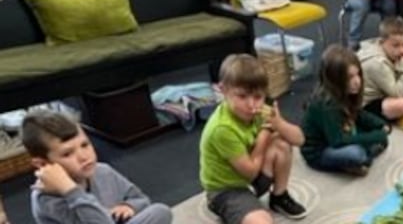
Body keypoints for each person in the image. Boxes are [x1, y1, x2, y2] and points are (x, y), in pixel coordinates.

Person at [199, 54, 307, 224]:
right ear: (223, 90)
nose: (251, 105)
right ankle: (236, 212)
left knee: (282, 141)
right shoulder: (222, 128)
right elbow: (249, 172)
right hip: (227, 190)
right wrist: (264, 135)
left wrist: (278, 123)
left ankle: (279, 196)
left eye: (258, 97)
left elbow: (300, 139)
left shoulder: (259, 109)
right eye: (242, 96)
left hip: (251, 179)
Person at [21, 110, 172, 224]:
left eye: (85, 145)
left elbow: (140, 199)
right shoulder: (46, 199)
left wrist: (129, 206)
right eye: (67, 154)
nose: (84, 156)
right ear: (42, 164)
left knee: (160, 211)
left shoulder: (102, 171)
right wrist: (70, 190)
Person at [301, 45, 390, 176]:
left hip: (341, 131)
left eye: (358, 75)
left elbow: (358, 113)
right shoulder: (325, 104)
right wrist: (376, 136)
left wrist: (380, 124)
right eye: (349, 78)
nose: (357, 81)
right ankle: (350, 164)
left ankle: (358, 161)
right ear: (335, 80)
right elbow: (338, 141)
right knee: (357, 153)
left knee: (378, 139)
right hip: (321, 150)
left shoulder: (344, 92)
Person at [358, 17, 403, 131]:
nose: (402, 50)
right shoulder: (377, 63)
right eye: (396, 45)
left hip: (386, 90)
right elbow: (396, 93)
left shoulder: (390, 51)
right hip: (368, 104)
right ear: (382, 42)